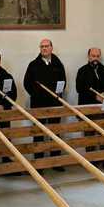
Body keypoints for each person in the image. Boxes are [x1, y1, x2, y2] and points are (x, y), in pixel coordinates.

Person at [23, 38, 66, 170]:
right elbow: (27, 83)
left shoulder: (58, 64)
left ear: (51, 48)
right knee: (39, 133)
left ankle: (55, 162)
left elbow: (63, 82)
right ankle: (39, 163)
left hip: (54, 103)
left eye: (47, 46)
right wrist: (37, 95)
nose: (44, 48)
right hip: (38, 103)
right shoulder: (33, 65)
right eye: (42, 46)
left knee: (55, 132)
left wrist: (58, 92)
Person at [76, 47, 104, 169]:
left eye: (97, 56)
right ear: (88, 56)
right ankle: (92, 160)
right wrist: (94, 96)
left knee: (103, 134)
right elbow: (79, 88)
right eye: (93, 56)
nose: (95, 58)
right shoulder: (82, 71)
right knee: (89, 135)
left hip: (101, 108)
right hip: (87, 107)